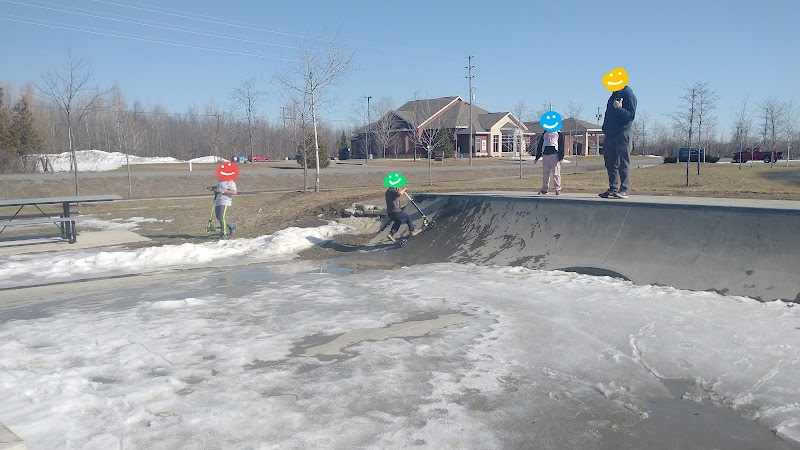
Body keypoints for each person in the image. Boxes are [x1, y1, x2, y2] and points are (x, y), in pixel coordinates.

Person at [600, 84, 637, 199]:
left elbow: (630, 116)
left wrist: (619, 109)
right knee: (610, 162)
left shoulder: (628, 94)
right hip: (610, 133)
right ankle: (613, 188)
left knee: (623, 162)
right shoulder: (614, 94)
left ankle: (624, 189)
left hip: (622, 133)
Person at [534, 129, 565, 195]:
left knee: (556, 173)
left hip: (555, 155)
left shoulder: (558, 132)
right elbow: (540, 144)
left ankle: (558, 189)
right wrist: (537, 156)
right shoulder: (545, 132)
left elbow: (561, 145)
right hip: (545, 155)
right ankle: (544, 189)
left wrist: (561, 157)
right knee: (545, 174)